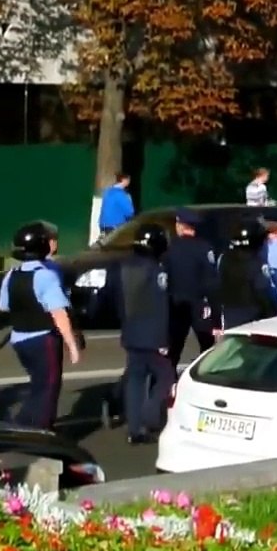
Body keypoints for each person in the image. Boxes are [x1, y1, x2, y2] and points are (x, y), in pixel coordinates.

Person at [0, 223, 81, 430]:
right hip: (43, 339)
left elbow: (4, 306)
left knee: (38, 383)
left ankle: (26, 423)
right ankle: (40, 429)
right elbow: (59, 313)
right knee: (49, 386)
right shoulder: (46, 276)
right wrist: (72, 344)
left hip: (19, 339)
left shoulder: (11, 274)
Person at [109, 224, 178, 444]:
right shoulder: (156, 269)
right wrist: (163, 339)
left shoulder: (122, 267)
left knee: (135, 380)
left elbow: (117, 301)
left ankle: (135, 427)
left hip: (131, 333)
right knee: (166, 376)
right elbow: (161, 307)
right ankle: (150, 416)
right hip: (152, 336)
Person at [163, 209, 218, 364]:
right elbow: (211, 282)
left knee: (173, 350)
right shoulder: (204, 248)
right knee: (207, 348)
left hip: (175, 304)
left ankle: (169, 383)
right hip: (199, 304)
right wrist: (216, 316)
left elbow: (164, 279)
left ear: (180, 225)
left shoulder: (170, 248)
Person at [217, 218, 276, 328]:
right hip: (253, 314)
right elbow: (262, 291)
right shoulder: (256, 262)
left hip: (230, 312)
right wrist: (272, 314)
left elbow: (219, 282)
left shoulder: (224, 258)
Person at [98, 172, 135, 237]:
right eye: (128, 180)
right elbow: (130, 211)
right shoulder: (121, 194)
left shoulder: (108, 191)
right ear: (124, 180)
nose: (129, 182)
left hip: (103, 224)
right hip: (115, 225)